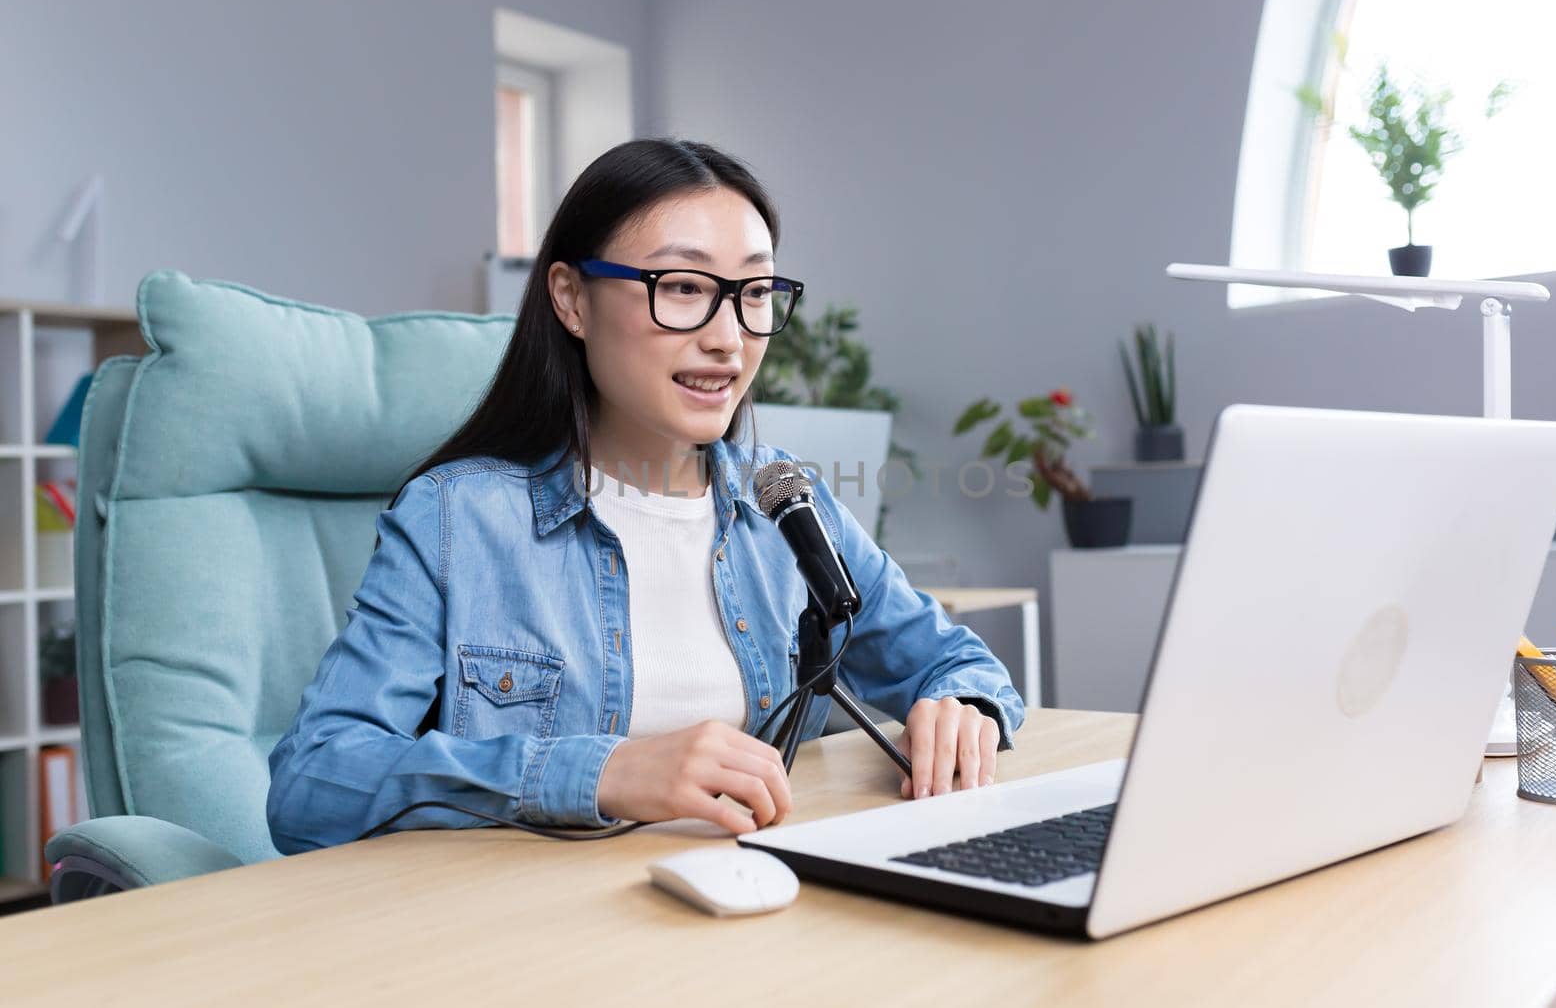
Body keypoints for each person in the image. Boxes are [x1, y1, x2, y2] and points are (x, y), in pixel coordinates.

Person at [266, 138, 1023, 853]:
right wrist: (601, 771)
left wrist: (964, 709)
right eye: (684, 287)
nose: (729, 338)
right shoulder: (458, 519)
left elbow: (955, 662)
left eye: (754, 293)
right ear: (571, 298)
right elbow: (313, 783)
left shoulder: (783, 503)